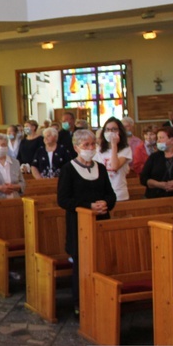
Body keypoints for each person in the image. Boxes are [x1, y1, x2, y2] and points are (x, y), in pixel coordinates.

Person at [57, 129, 116, 314]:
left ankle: (101, 298)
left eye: (93, 144)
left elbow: (110, 194)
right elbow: (63, 199)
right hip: (79, 225)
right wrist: (88, 206)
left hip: (101, 221)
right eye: (86, 145)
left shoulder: (100, 167)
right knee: (81, 265)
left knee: (101, 261)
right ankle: (80, 303)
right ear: (76, 147)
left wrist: (105, 203)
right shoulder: (68, 169)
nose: (90, 148)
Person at [94, 117, 133, 201]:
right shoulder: (99, 150)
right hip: (102, 193)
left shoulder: (125, 149)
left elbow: (115, 166)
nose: (110, 132)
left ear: (120, 131)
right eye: (107, 129)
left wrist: (114, 145)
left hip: (119, 193)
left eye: (114, 129)